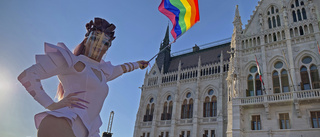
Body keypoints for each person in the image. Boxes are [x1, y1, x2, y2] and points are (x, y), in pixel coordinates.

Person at [18, 17, 148, 137]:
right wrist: (50, 105)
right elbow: (28, 75)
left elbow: (124, 68)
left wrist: (139, 64)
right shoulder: (70, 61)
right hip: (60, 125)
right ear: (86, 40)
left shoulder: (105, 72)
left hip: (88, 132)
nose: (99, 45)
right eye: (95, 38)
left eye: (105, 43)